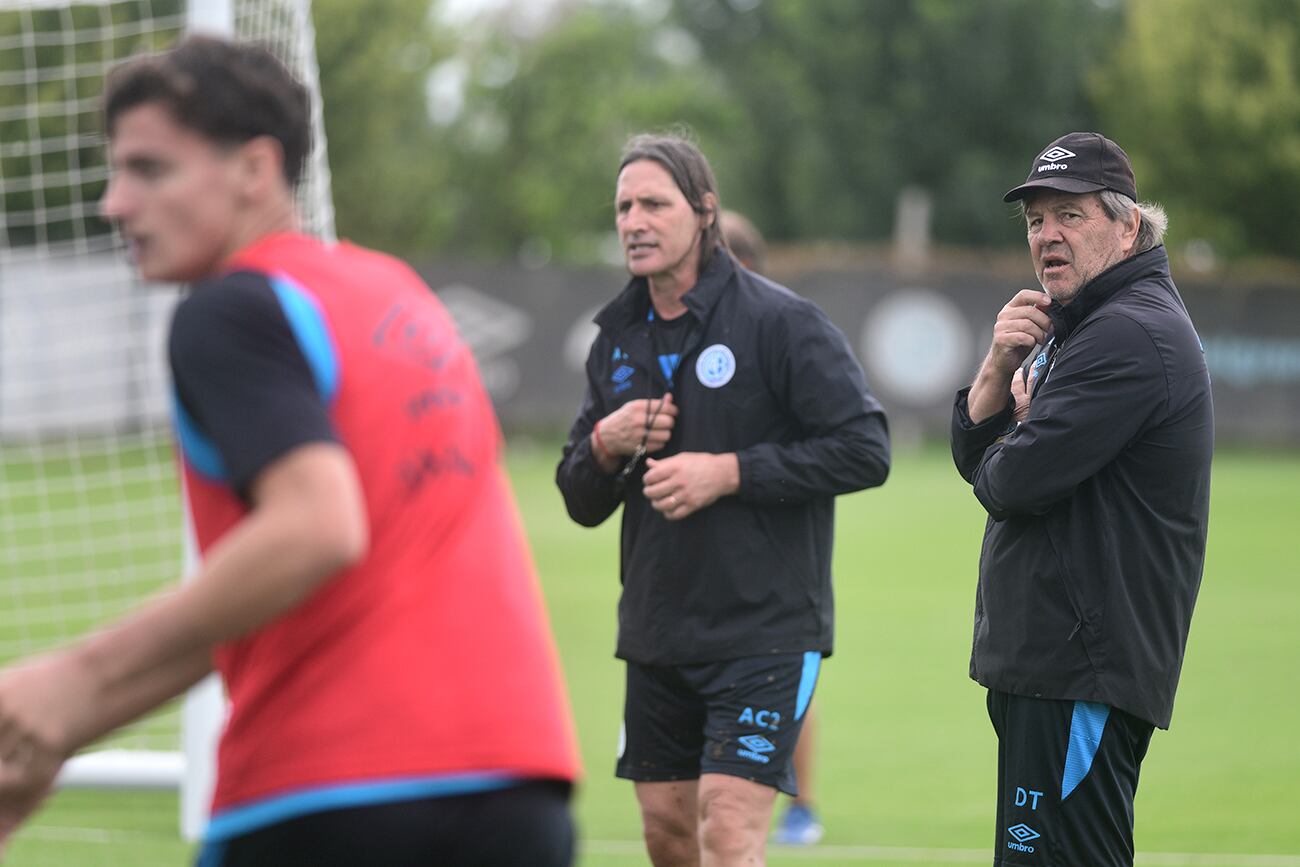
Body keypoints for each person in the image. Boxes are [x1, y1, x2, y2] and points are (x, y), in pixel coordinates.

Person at [0, 36, 579, 866]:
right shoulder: (396, 293)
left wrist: (73, 679)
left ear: (254, 167)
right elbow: (275, 593)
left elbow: (315, 528)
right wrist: (59, 725)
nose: (113, 202)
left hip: (328, 791)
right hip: (519, 790)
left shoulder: (229, 310)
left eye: (149, 169)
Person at [557, 134, 889, 867]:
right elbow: (579, 499)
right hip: (658, 630)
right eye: (622, 207)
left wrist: (729, 471)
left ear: (703, 211)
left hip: (765, 631)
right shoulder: (615, 339)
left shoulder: (781, 321)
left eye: (653, 203)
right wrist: (606, 444)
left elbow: (866, 448)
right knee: (667, 835)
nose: (633, 221)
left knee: (728, 828)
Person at [950, 131, 1213, 866]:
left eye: (1070, 215)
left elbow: (1007, 483)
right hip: (1055, 667)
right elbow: (983, 457)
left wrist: (1022, 442)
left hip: (1080, 666)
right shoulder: (1081, 327)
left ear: (1128, 225)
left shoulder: (1127, 333)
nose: (1047, 236)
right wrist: (999, 366)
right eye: (1036, 220)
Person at [717, 209, 823, 848]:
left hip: (777, 560)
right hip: (699, 564)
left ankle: (802, 805)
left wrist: (736, 470)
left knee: (788, 689)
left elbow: (844, 446)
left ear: (746, 266)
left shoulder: (786, 336)